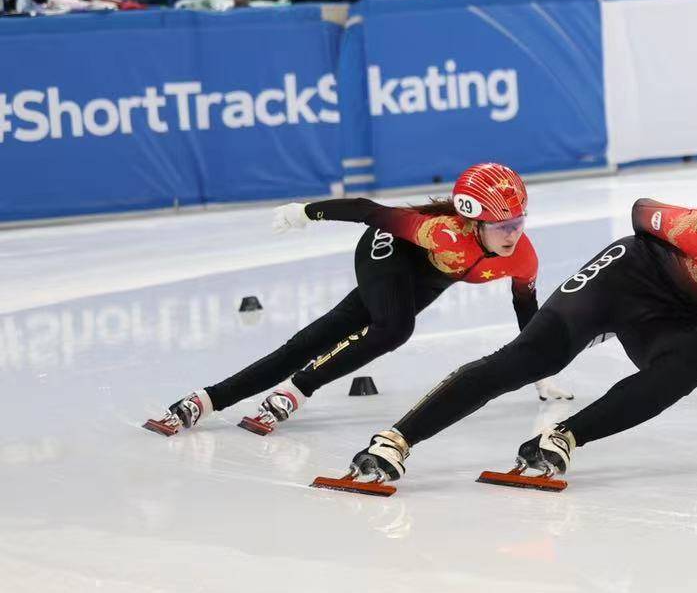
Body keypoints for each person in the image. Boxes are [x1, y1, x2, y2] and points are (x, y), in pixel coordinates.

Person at [327, 170, 697, 489]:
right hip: (622, 277)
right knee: (529, 360)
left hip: (672, 312)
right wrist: (603, 312)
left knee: (694, 362)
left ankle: (561, 439)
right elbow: (641, 212)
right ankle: (394, 440)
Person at [143, 163, 557, 437]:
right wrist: (307, 212)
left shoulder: (523, 258)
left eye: (518, 223)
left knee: (322, 337)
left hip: (430, 278)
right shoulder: (442, 232)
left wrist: (538, 365)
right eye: (501, 225)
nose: (512, 234)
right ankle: (272, 392)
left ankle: (224, 397)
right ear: (472, 221)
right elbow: (367, 210)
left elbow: (526, 308)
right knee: (395, 328)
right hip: (387, 250)